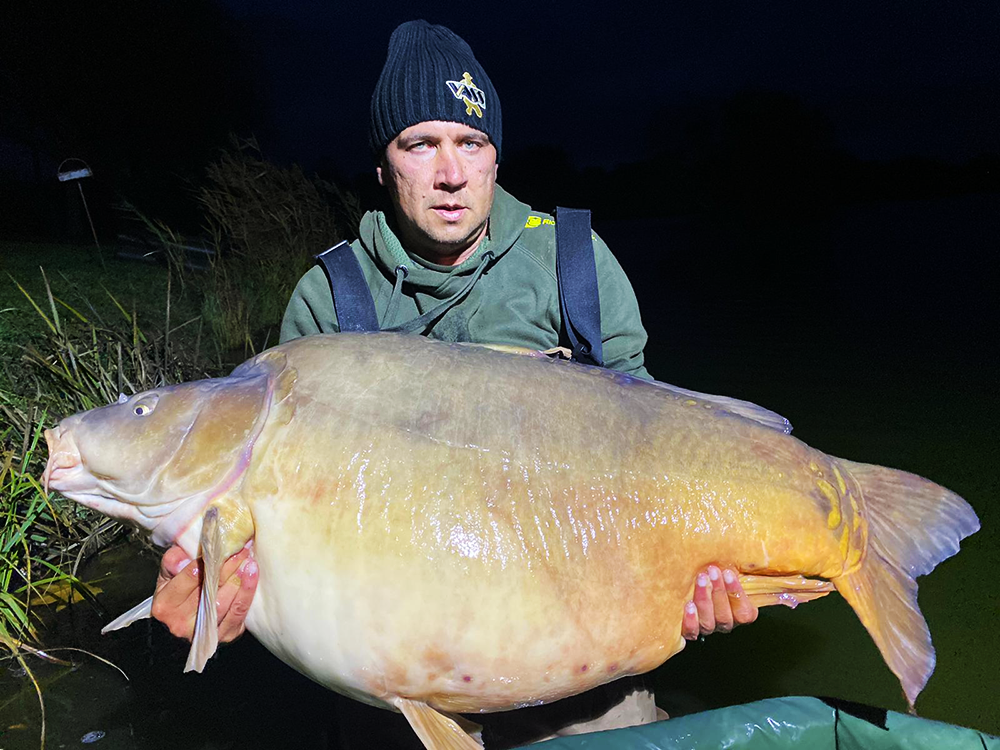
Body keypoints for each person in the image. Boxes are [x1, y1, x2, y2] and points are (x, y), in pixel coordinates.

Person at [150, 19, 758, 745]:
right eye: (420, 144)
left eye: (470, 143)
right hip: (399, 659)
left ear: (496, 157)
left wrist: (700, 575)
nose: (450, 172)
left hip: (575, 638)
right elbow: (282, 520)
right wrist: (219, 590)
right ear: (383, 167)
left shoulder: (572, 263)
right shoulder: (330, 298)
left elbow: (659, 446)